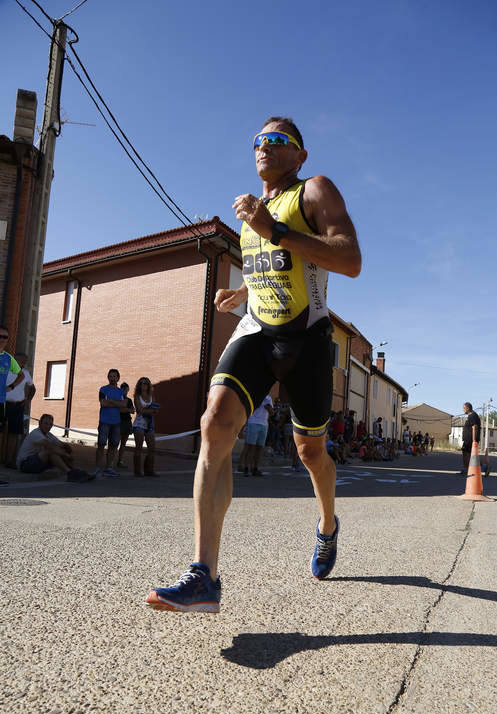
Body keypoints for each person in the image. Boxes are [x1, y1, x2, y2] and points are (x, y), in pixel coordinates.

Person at [146, 115, 361, 613]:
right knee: (215, 423)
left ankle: (327, 524)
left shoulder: (315, 190)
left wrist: (276, 229)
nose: (265, 146)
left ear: (300, 154)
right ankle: (204, 576)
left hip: (307, 338)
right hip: (257, 330)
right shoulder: (253, 214)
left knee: (311, 453)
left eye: (278, 140)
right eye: (259, 140)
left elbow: (349, 259)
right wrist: (242, 291)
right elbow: (274, 266)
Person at [17, 413, 92, 481]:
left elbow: (62, 444)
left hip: (37, 462)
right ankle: (70, 473)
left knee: (59, 450)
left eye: (50, 424)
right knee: (50, 451)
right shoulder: (36, 433)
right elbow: (50, 447)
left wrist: (66, 449)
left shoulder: (49, 435)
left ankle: (76, 471)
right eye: (45, 423)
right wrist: (66, 455)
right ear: (39, 423)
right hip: (25, 464)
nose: (48, 426)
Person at [4, 352, 35, 468]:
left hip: (17, 406)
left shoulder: (26, 374)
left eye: (25, 362)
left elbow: (33, 389)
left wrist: (28, 400)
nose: (23, 364)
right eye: (21, 361)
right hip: (3, 405)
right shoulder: (4, 371)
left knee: (14, 433)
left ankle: (9, 460)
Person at [95, 369, 128, 478]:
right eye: (110, 376)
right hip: (104, 421)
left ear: (118, 378)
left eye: (114, 376)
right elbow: (103, 403)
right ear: (108, 377)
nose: (112, 378)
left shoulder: (121, 392)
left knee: (113, 446)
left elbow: (124, 405)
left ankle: (109, 468)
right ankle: (97, 468)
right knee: (101, 445)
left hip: (116, 422)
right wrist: (117, 403)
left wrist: (111, 401)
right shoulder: (103, 389)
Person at [132, 377, 159, 477]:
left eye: (146, 383)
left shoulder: (151, 396)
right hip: (139, 424)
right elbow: (139, 411)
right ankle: (137, 471)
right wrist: (150, 410)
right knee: (139, 447)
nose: (144, 385)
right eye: (142, 383)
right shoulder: (137, 396)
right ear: (139, 385)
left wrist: (147, 410)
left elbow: (156, 409)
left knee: (152, 448)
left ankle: (149, 470)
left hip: (150, 424)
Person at [0, 324, 24, 436]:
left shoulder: (8, 358)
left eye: (5, 337)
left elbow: (21, 375)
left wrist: (11, 387)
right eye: (0, 336)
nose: (2, 339)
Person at [244, 394, 272, 476]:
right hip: (253, 422)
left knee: (259, 448)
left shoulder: (268, 398)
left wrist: (269, 409)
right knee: (250, 447)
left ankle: (255, 468)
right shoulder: (254, 395)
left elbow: (272, 412)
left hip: (264, 424)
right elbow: (248, 408)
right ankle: (246, 468)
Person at [117, 382, 135, 468]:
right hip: (119, 422)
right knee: (115, 442)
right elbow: (119, 410)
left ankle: (120, 461)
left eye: (127, 390)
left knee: (123, 443)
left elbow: (133, 411)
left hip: (127, 422)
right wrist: (126, 409)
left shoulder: (129, 400)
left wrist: (125, 409)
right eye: (124, 390)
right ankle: (111, 461)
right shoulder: (117, 399)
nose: (126, 392)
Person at [461, 402, 481, 474]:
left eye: (464, 408)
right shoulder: (470, 416)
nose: (463, 410)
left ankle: (467, 469)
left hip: (470, 440)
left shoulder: (472, 415)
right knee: (466, 453)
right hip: (467, 440)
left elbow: (474, 427)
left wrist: (474, 440)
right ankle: (465, 468)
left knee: (469, 455)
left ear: (468, 408)